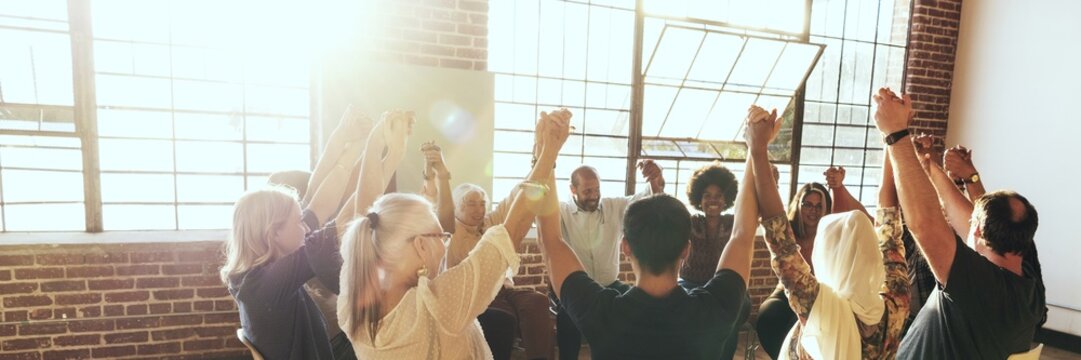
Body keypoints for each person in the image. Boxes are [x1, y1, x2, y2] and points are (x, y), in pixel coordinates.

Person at [336, 109, 570, 359]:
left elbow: (367, 212)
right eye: (441, 236)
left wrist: (380, 145)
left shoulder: (354, 293)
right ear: (421, 246)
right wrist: (547, 155)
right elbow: (510, 232)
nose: (445, 240)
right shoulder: (435, 305)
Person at [530, 108, 758, 360]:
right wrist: (756, 149)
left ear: (625, 247)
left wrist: (546, 152)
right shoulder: (715, 309)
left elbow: (550, 242)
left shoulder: (602, 314)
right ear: (686, 249)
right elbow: (743, 234)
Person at [222, 109, 413, 359]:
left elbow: (320, 206)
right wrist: (382, 147)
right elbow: (351, 220)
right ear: (273, 234)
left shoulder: (255, 276)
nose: (307, 226)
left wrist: (355, 145)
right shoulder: (266, 285)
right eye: (299, 222)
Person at [868, 88, 1043, 359]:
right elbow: (969, 219)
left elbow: (925, 223)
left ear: (978, 232)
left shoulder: (980, 285)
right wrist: (930, 168)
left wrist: (895, 134)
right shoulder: (1028, 282)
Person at [749, 105, 910, 359]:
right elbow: (890, 230)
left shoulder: (817, 305)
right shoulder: (896, 305)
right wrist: (893, 134)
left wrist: (757, 149)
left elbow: (778, 236)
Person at [424, 143, 554, 360]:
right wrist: (438, 174)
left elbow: (517, 195)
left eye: (482, 203)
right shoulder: (451, 231)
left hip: (505, 288)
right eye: (471, 204)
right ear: (457, 207)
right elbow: (442, 210)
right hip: (477, 291)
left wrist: (540, 160)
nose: (479, 209)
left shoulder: (491, 221)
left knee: (537, 302)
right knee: (505, 318)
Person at [552, 157, 665, 359]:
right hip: (575, 289)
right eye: (588, 191)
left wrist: (655, 179)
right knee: (567, 319)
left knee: (640, 308)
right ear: (573, 189)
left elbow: (648, 197)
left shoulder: (614, 207)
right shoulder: (561, 212)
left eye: (597, 189)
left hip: (610, 284)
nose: (594, 196)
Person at [677, 162, 750, 359]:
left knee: (735, 308)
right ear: (698, 198)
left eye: (718, 195)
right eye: (707, 195)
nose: (713, 200)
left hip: (726, 287)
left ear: (726, 199)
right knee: (682, 305)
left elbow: (754, 211)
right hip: (690, 283)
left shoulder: (733, 224)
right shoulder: (689, 222)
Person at [754, 181, 832, 360]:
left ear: (826, 209)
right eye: (808, 205)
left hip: (818, 296)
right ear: (799, 205)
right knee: (769, 313)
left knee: (797, 324)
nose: (813, 211)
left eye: (819, 206)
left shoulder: (830, 234)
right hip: (785, 292)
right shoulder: (788, 232)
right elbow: (769, 218)